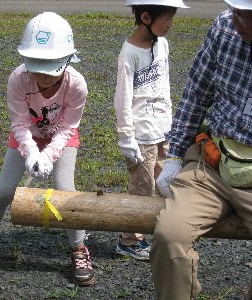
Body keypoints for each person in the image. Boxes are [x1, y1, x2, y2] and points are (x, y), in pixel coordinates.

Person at [0, 12, 96, 287]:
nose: (41, 77)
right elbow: (19, 123)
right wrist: (32, 152)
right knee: (4, 190)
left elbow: (69, 127)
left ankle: (79, 248)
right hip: (26, 135)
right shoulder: (18, 79)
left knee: (65, 189)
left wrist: (48, 154)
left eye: (49, 69)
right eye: (36, 67)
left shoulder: (77, 84)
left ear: (66, 60)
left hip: (61, 136)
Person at [152, 0, 252, 298]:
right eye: (236, 13)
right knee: (170, 235)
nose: (239, 23)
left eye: (248, 17)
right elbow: (196, 94)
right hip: (213, 164)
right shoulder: (224, 26)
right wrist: (174, 156)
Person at [113, 0, 189, 261]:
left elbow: (164, 85)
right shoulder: (129, 53)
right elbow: (122, 97)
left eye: (172, 18)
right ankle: (129, 240)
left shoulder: (163, 45)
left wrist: (173, 124)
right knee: (142, 189)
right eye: (166, 18)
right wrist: (126, 136)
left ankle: (164, 231)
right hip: (140, 135)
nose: (170, 24)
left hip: (163, 130)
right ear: (145, 16)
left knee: (168, 183)